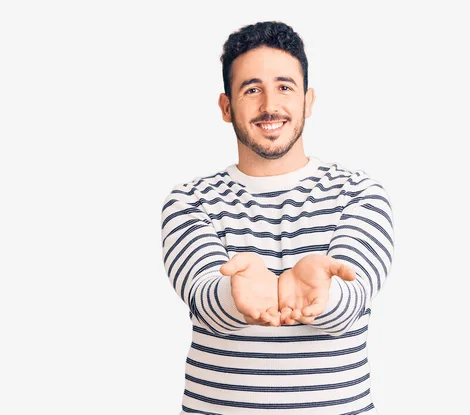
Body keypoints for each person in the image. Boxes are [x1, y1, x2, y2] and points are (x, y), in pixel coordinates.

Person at [160, 21, 395, 415]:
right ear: (226, 106)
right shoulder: (189, 200)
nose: (270, 105)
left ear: (308, 100)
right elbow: (204, 300)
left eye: (285, 86)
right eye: (251, 89)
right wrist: (237, 295)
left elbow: (351, 302)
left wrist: (322, 295)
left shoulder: (359, 193)